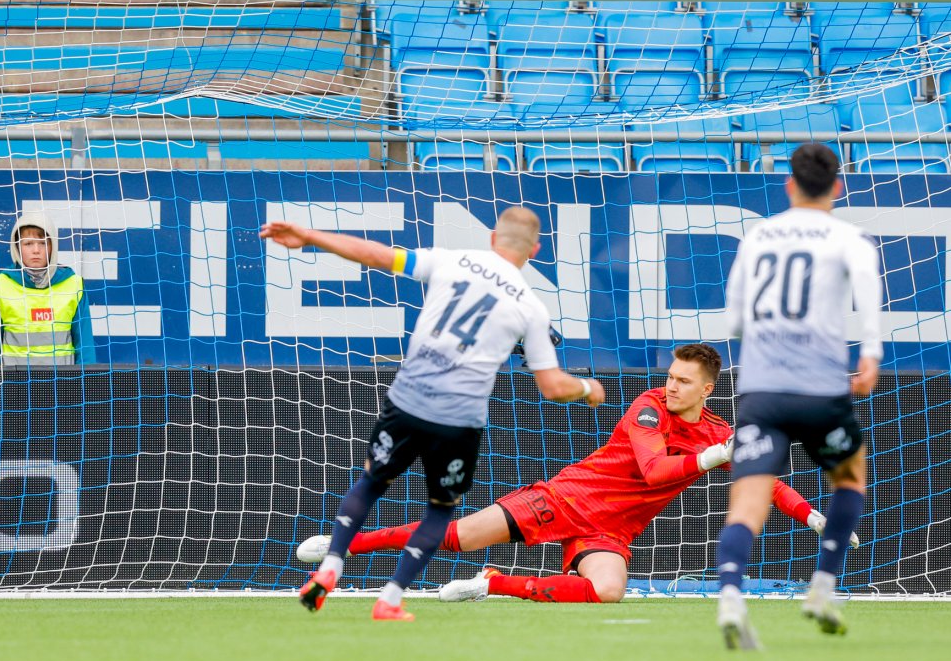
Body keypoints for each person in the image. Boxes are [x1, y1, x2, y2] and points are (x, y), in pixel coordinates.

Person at [297, 343, 854, 605]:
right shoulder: (648, 407)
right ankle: (344, 547)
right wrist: (715, 458)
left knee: (608, 591)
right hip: (566, 498)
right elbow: (656, 470)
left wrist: (815, 517)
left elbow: (767, 482)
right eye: (671, 376)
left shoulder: (715, 430)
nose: (672, 385)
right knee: (457, 537)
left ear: (708, 389)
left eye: (685, 381)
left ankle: (496, 585)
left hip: (611, 529)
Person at [260, 207, 605, 621]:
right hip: (459, 420)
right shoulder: (531, 307)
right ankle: (390, 598)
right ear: (535, 250)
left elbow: (375, 255)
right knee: (439, 510)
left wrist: (310, 235)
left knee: (371, 482)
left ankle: (331, 565)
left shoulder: (450, 260)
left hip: (409, 399)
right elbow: (551, 386)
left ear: (493, 237)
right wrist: (587, 388)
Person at [716, 143, 882, 650]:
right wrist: (869, 358)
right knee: (851, 474)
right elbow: (869, 297)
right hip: (819, 390)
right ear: (837, 187)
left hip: (761, 391)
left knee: (747, 502)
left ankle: (729, 597)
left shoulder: (758, 235)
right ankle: (823, 588)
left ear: (788, 184)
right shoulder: (848, 238)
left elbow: (735, 319)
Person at [0, 211, 96, 366]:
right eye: (28, 243)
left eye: (42, 243)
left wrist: (85, 385)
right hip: (14, 387)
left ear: (52, 246)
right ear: (17, 247)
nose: (36, 250)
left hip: (63, 386)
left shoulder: (73, 284)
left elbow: (85, 347)